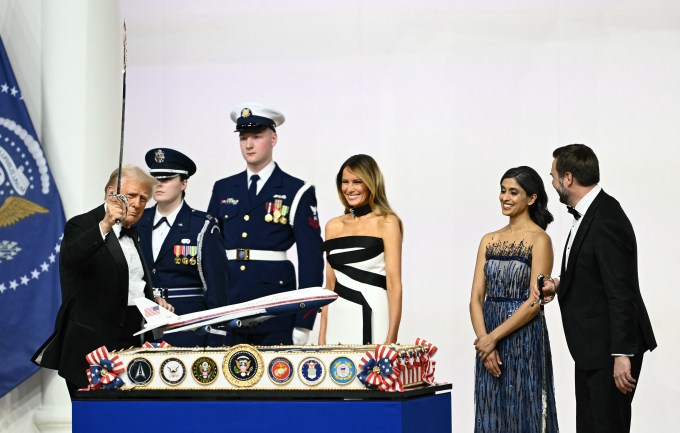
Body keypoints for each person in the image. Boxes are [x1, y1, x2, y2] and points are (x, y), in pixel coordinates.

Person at [544, 144, 656, 433]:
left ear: (568, 178)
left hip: (610, 351)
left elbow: (622, 291)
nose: (553, 183)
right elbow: (593, 274)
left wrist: (622, 355)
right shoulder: (590, 212)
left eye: (554, 176)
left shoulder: (606, 219)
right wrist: (559, 284)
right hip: (592, 348)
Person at [31, 166, 170, 397]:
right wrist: (105, 224)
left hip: (132, 344)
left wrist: (154, 304)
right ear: (110, 194)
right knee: (93, 421)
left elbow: (132, 283)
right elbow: (70, 260)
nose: (137, 204)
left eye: (144, 199)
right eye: (131, 196)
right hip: (90, 347)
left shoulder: (135, 232)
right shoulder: (81, 225)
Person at [207, 103, 323, 346]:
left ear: (273, 138)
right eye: (243, 138)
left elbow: (311, 260)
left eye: (257, 136)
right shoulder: (224, 188)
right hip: (229, 302)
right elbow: (210, 252)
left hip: (276, 304)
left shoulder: (296, 190)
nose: (248, 145)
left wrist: (304, 320)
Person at [469, 166, 558, 433]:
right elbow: (475, 297)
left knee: (526, 410)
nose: (505, 197)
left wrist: (492, 338)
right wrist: (485, 342)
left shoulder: (540, 240)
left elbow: (534, 302)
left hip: (524, 337)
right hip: (488, 340)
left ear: (531, 198)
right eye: (503, 190)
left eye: (513, 192)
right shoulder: (488, 239)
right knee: (491, 412)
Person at [136, 148, 229, 347]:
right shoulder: (138, 221)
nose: (159, 184)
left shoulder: (202, 225)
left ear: (184, 183)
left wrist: (217, 335)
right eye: (155, 178)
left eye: (167, 178)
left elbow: (216, 287)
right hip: (141, 324)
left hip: (187, 327)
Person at [317, 154, 403, 345]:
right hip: (337, 319)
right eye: (345, 182)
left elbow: (394, 284)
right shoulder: (333, 226)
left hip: (374, 314)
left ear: (371, 183)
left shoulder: (387, 222)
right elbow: (329, 285)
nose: (349, 188)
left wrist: (391, 338)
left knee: (371, 374)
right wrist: (322, 335)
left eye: (357, 182)